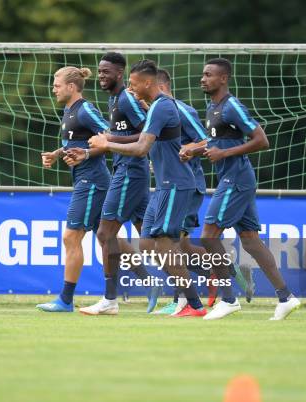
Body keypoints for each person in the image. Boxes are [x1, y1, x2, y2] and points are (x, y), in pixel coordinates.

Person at [179, 58, 300, 320]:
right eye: (202, 74)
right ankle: (286, 297)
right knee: (251, 241)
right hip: (235, 178)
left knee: (209, 234)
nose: (203, 79)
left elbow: (261, 140)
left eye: (209, 75)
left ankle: (229, 299)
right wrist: (195, 150)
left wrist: (225, 153)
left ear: (223, 79)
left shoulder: (232, 105)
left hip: (236, 178)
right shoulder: (213, 107)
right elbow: (215, 142)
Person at [89, 59, 206, 318]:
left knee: (165, 245)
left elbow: (141, 148)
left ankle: (196, 304)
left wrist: (106, 144)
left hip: (177, 185)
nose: (130, 89)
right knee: (148, 244)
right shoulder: (155, 107)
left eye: (132, 84)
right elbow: (153, 144)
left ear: (147, 83)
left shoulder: (163, 106)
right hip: (163, 186)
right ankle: (207, 282)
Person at [151, 68, 254, 315]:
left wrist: (189, 150)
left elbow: (207, 141)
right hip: (170, 184)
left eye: (138, 86)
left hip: (187, 184)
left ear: (158, 85)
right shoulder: (155, 110)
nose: (134, 92)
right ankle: (224, 269)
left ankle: (187, 300)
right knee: (177, 246)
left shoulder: (180, 109)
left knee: (168, 244)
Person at [77, 52, 159, 316]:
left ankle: (110, 300)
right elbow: (119, 138)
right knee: (153, 240)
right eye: (99, 71)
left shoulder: (125, 98)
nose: (101, 76)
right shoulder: (114, 99)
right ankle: (211, 272)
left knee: (105, 234)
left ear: (120, 74)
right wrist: (92, 150)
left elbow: (149, 133)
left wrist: (110, 139)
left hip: (130, 173)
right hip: (127, 171)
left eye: (106, 72)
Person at [36, 66, 111, 312]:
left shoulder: (86, 108)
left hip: (92, 180)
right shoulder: (68, 110)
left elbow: (108, 138)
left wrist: (86, 155)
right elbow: (76, 143)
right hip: (85, 179)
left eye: (57, 85)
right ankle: (145, 281)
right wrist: (57, 154)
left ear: (71, 87)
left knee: (71, 236)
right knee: (106, 238)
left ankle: (65, 300)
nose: (53, 89)